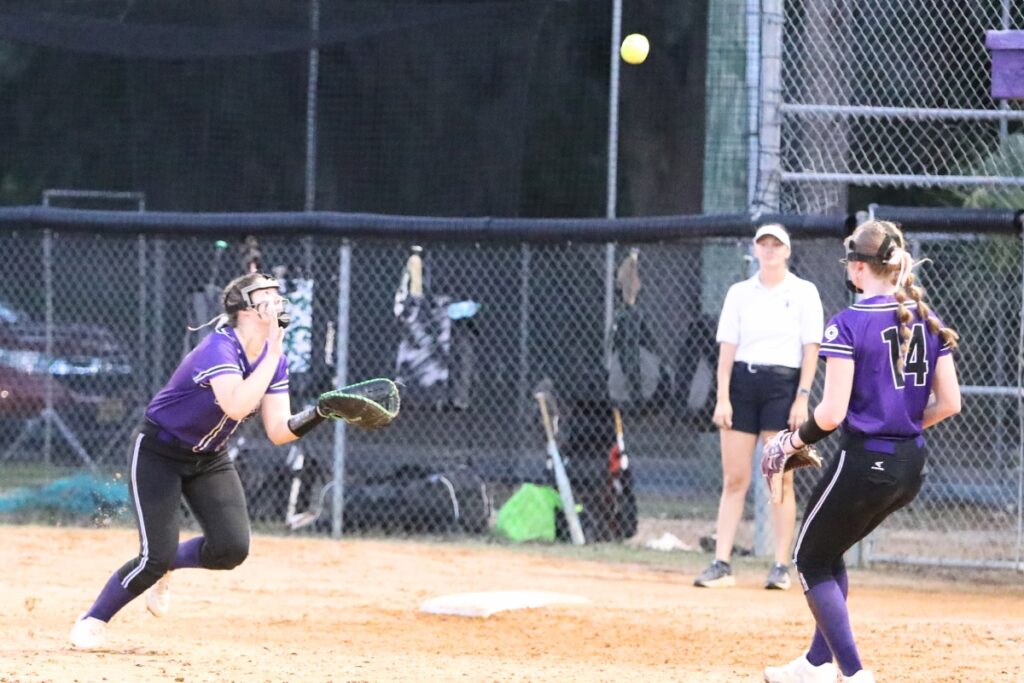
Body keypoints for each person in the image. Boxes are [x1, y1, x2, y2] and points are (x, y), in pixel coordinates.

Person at [69, 272, 338, 649]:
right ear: (245, 309)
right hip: (159, 452)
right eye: (266, 296)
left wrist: (321, 412)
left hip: (209, 457)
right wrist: (274, 353)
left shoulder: (274, 360)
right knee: (153, 557)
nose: (277, 302)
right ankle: (93, 619)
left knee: (231, 549)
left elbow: (279, 430)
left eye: (278, 296)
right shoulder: (219, 348)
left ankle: (169, 566)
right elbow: (236, 405)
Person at [761, 220, 961, 682]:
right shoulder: (926, 318)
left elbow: (831, 413)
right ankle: (816, 664)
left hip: (865, 461)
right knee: (829, 552)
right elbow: (950, 403)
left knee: (809, 559)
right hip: (910, 464)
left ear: (857, 268)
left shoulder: (848, 323)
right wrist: (901, 424)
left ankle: (853, 673)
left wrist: (790, 441)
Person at [694, 224, 824, 590]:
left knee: (779, 477)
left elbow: (810, 349)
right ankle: (721, 562)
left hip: (782, 386)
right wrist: (723, 397)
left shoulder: (803, 292)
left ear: (787, 251)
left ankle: (781, 565)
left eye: (776, 244)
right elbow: (726, 350)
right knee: (735, 479)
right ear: (754, 249)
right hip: (742, 384)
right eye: (763, 244)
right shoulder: (739, 293)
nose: (769, 250)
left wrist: (802, 397)